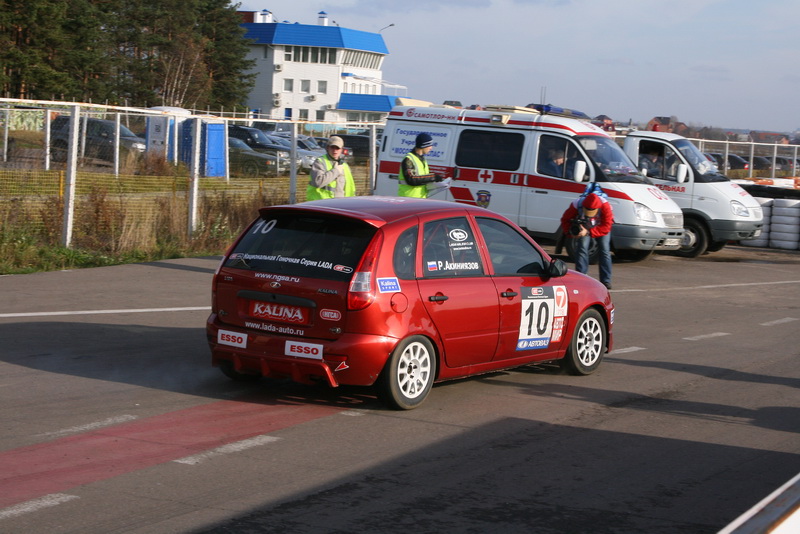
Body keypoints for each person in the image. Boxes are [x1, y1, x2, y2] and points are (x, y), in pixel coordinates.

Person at [560, 192, 614, 289]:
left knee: (605, 250)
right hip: (584, 226)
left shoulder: (605, 206)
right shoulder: (576, 204)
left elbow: (607, 226)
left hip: (600, 226)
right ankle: (582, 277)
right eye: (587, 210)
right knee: (581, 248)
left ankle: (606, 280)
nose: (589, 212)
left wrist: (589, 232)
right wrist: (570, 233)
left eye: (592, 210)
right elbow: (565, 219)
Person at [306, 135, 355, 200]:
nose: (335, 150)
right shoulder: (320, 162)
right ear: (327, 148)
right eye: (332, 147)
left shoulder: (345, 166)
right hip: (321, 204)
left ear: (341, 150)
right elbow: (318, 182)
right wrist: (336, 171)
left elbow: (350, 187)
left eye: (337, 148)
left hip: (340, 204)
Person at [398, 132, 443, 198]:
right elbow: (411, 179)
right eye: (429, 145)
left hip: (420, 199)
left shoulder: (422, 159)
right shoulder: (409, 159)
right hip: (409, 199)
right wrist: (433, 177)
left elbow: (422, 178)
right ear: (424, 146)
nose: (431, 148)